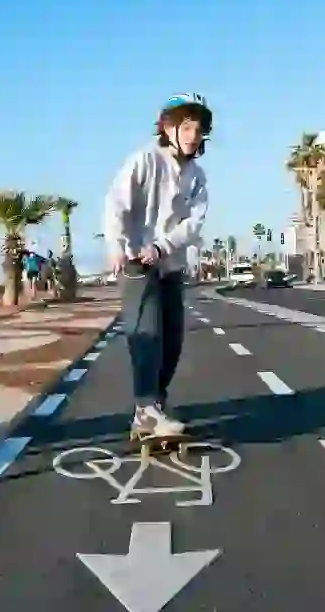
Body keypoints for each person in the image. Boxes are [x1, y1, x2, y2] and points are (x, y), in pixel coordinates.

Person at [103, 92, 210, 438]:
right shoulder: (145, 161)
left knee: (172, 341)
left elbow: (194, 223)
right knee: (147, 335)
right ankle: (146, 409)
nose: (193, 135)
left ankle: (152, 408)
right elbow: (116, 203)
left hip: (171, 263)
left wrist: (163, 247)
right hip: (137, 261)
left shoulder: (197, 176)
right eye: (187, 126)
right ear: (168, 127)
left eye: (199, 128)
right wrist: (116, 245)